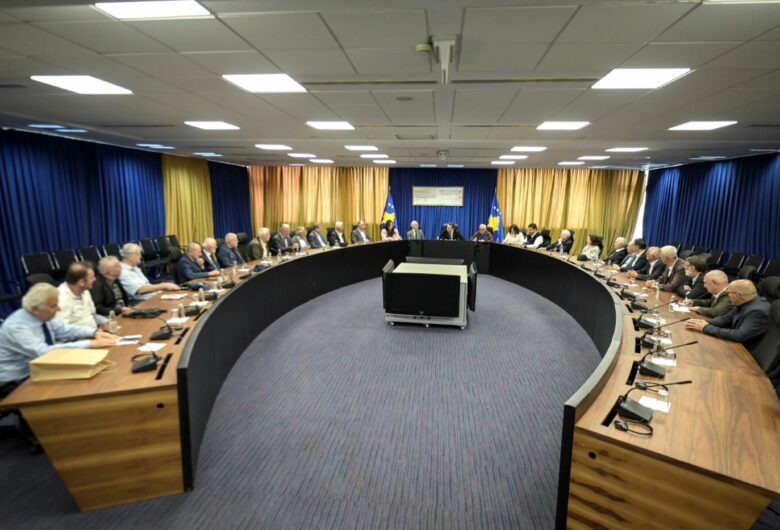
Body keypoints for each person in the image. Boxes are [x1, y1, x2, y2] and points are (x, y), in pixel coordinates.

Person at [0, 283, 118, 395]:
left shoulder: (42, 315)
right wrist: (90, 343)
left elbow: (64, 329)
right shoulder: (16, 327)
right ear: (35, 309)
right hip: (17, 380)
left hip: (40, 370)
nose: (59, 309)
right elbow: (43, 352)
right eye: (53, 306)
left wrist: (94, 332)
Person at [685, 279, 770, 352]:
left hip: (744, 353)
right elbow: (726, 318)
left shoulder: (758, 311)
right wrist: (703, 323)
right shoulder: (745, 301)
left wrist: (706, 328)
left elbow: (739, 335)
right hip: (735, 345)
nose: (728, 296)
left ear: (737, 295)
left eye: (729, 293)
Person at [57, 261, 102, 329]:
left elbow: (92, 315)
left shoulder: (85, 291)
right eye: (92, 278)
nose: (95, 279)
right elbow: (62, 330)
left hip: (95, 331)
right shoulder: (61, 298)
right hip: (80, 335)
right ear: (81, 282)